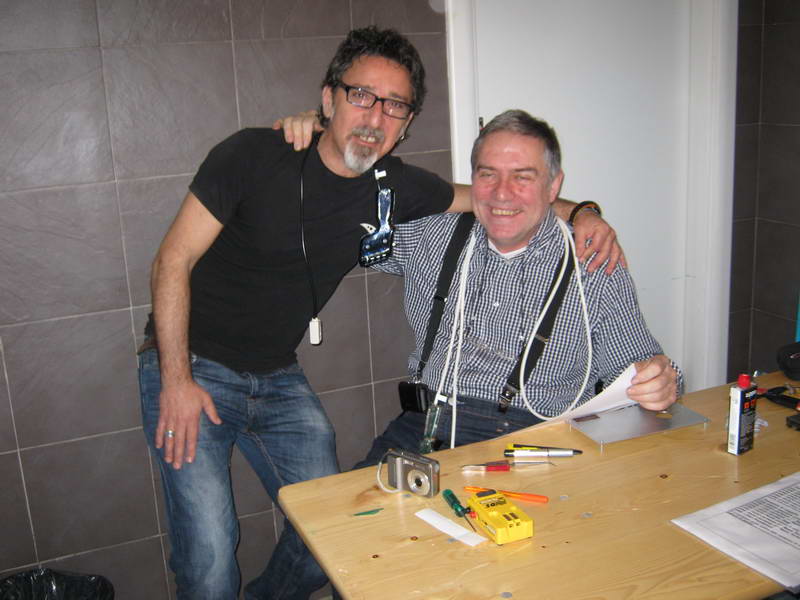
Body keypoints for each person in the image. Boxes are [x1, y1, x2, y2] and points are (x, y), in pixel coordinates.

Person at [138, 25, 623, 600]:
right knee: (212, 555)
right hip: (191, 362)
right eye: (361, 95)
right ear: (328, 99)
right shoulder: (253, 154)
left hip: (275, 373)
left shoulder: (396, 187)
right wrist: (176, 379)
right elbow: (171, 260)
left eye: (394, 105)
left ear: (406, 124)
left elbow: (494, 198)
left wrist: (583, 212)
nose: (374, 117)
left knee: (332, 529)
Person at [357, 109, 681, 465]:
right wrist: (327, 135)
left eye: (522, 177)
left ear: (553, 186)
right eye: (488, 174)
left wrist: (661, 381)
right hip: (426, 425)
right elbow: (348, 207)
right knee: (343, 502)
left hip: (539, 438)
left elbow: (640, 367)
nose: (502, 193)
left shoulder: (591, 263)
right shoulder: (431, 235)